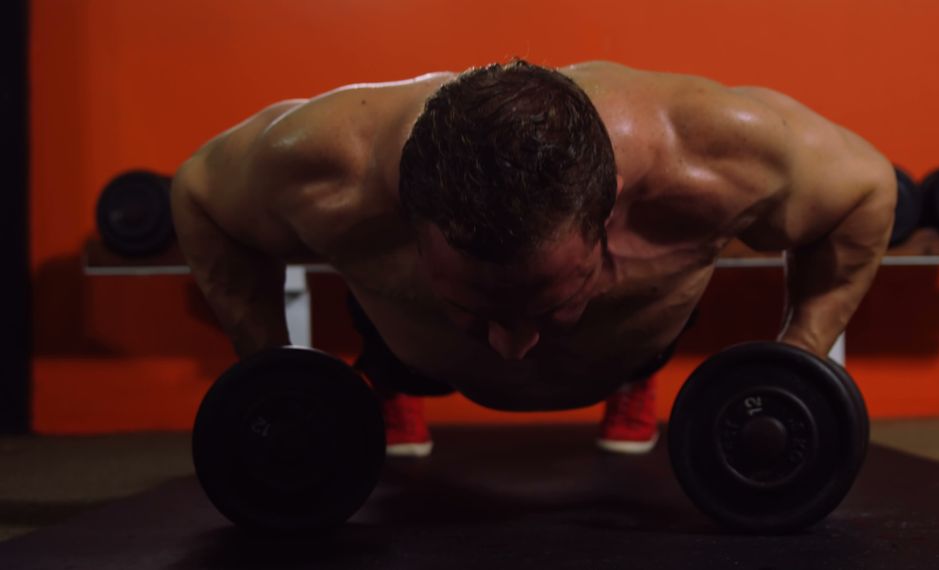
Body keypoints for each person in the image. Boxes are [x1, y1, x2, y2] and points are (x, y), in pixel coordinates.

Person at [171, 60, 896, 458]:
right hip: (410, 344)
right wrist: (267, 375)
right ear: (404, 212)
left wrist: (801, 361)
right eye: (472, 308)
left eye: (551, 305)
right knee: (395, 340)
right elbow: (198, 193)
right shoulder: (327, 169)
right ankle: (394, 379)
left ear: (608, 207)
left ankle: (625, 376)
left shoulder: (712, 156)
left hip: (633, 343)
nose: (514, 349)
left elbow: (866, 190)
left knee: (627, 322)